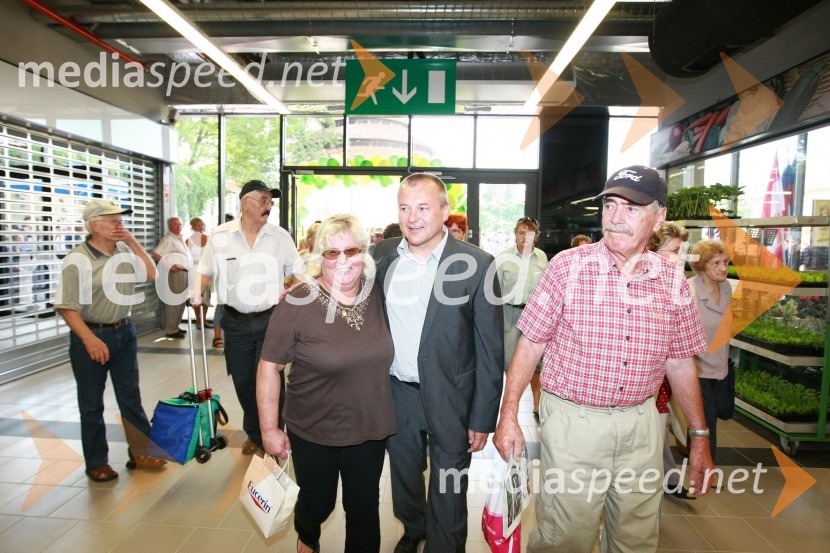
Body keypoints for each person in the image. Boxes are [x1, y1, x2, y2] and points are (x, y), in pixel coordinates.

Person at [494, 165, 715, 553]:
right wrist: (508, 415)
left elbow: (680, 362)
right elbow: (530, 344)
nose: (615, 218)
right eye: (610, 205)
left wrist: (698, 437)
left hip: (644, 425)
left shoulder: (672, 279)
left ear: (659, 216)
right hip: (574, 424)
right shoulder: (567, 267)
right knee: (565, 536)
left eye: (631, 208)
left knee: (637, 537)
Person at [373, 173, 504, 553]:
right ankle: (413, 531)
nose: (412, 217)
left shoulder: (477, 264)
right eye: (404, 207)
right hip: (398, 393)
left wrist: (482, 418)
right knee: (404, 481)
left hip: (453, 397)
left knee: (448, 490)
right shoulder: (383, 255)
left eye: (423, 207)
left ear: (445, 212)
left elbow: (490, 348)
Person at [258, 214, 396, 553]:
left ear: (365, 253)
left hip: (369, 428)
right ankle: (307, 533)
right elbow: (269, 367)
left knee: (363, 508)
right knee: (319, 504)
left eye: (351, 250)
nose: (343, 261)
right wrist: (269, 430)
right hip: (314, 428)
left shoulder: (379, 295)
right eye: (332, 253)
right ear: (319, 256)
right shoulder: (297, 301)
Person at [56, 199, 167, 482]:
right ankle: (97, 461)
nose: (120, 225)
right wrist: (90, 340)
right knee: (92, 403)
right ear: (94, 225)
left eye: (121, 221)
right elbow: (67, 308)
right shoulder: (77, 259)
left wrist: (131, 240)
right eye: (113, 221)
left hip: (124, 333)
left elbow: (152, 274)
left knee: (130, 397)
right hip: (90, 336)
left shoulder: (123, 253)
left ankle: (141, 452)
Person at [194, 179, 299, 455]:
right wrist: (196, 292)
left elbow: (298, 272)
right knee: (243, 381)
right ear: (245, 203)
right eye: (263, 201)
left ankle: (270, 435)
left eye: (270, 202)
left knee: (269, 377)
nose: (269, 206)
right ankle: (257, 430)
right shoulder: (220, 236)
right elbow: (204, 271)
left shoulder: (280, 237)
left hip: (271, 321)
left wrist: (297, 291)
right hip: (235, 321)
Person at [648, 222, 695, 499]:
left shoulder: (678, 287)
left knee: (658, 433)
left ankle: (667, 480)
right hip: (643, 383)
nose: (682, 257)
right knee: (652, 436)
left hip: (665, 379)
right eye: (676, 250)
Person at [496, 216, 548, 416]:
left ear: (536, 237)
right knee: (509, 362)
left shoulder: (543, 258)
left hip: (534, 315)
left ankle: (537, 402)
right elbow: (494, 292)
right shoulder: (502, 258)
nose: (525, 237)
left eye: (530, 233)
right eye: (521, 233)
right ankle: (511, 405)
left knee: (537, 363)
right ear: (515, 234)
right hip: (509, 313)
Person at [689, 240, 733, 461]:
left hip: (721, 367)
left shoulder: (727, 288)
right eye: (716, 263)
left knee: (724, 411)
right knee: (707, 423)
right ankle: (705, 469)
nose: (723, 268)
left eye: (725, 262)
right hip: (698, 370)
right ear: (702, 265)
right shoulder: (689, 291)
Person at [152, 216, 191, 339]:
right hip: (176, 273)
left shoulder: (179, 239)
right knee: (174, 302)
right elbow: (156, 253)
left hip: (185, 272)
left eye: (180, 224)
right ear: (170, 226)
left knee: (182, 302)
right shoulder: (168, 239)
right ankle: (171, 329)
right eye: (176, 224)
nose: (178, 226)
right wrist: (170, 266)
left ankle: (175, 326)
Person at [186, 217, 212, 330]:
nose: (201, 227)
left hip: (207, 271)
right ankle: (198, 320)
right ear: (192, 227)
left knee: (206, 297)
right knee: (197, 297)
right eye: (198, 225)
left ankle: (204, 319)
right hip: (194, 272)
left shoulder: (208, 239)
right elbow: (186, 258)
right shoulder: (189, 241)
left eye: (202, 225)